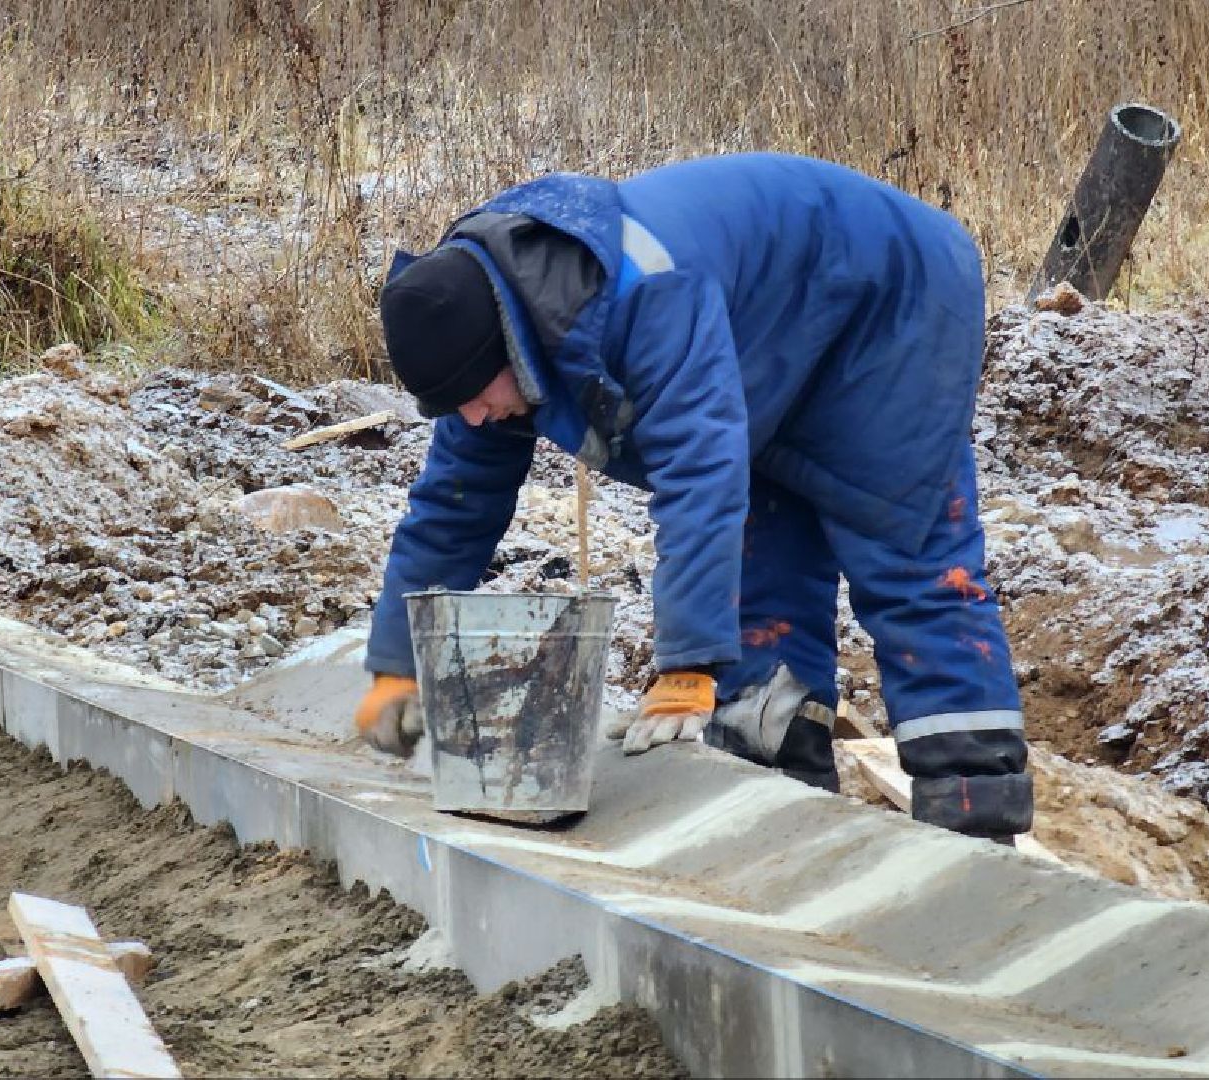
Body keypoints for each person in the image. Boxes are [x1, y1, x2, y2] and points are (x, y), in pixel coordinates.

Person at [351, 152, 1032, 841]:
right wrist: (399, 665)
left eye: (473, 398)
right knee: (763, 540)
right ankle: (776, 792)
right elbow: (452, 504)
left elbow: (697, 476)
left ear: (507, 350)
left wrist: (686, 666)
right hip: (772, 320)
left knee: (901, 539)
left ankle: (974, 809)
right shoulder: (483, 331)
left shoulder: (646, 292)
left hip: (887, 291)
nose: (470, 417)